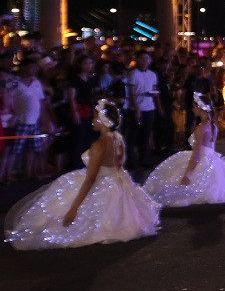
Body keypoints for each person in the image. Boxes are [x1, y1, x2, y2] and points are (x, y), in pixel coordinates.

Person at [5, 99, 160, 249]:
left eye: (95, 116)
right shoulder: (118, 138)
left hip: (103, 182)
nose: (92, 120)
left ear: (102, 119)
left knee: (61, 202)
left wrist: (74, 209)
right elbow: (118, 167)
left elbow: (91, 178)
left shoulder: (99, 145)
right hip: (118, 183)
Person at [143, 92, 225, 206]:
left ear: (200, 108)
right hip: (212, 159)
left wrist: (187, 175)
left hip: (202, 159)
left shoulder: (201, 128)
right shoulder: (213, 125)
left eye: (194, 107)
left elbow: (196, 155)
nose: (192, 109)